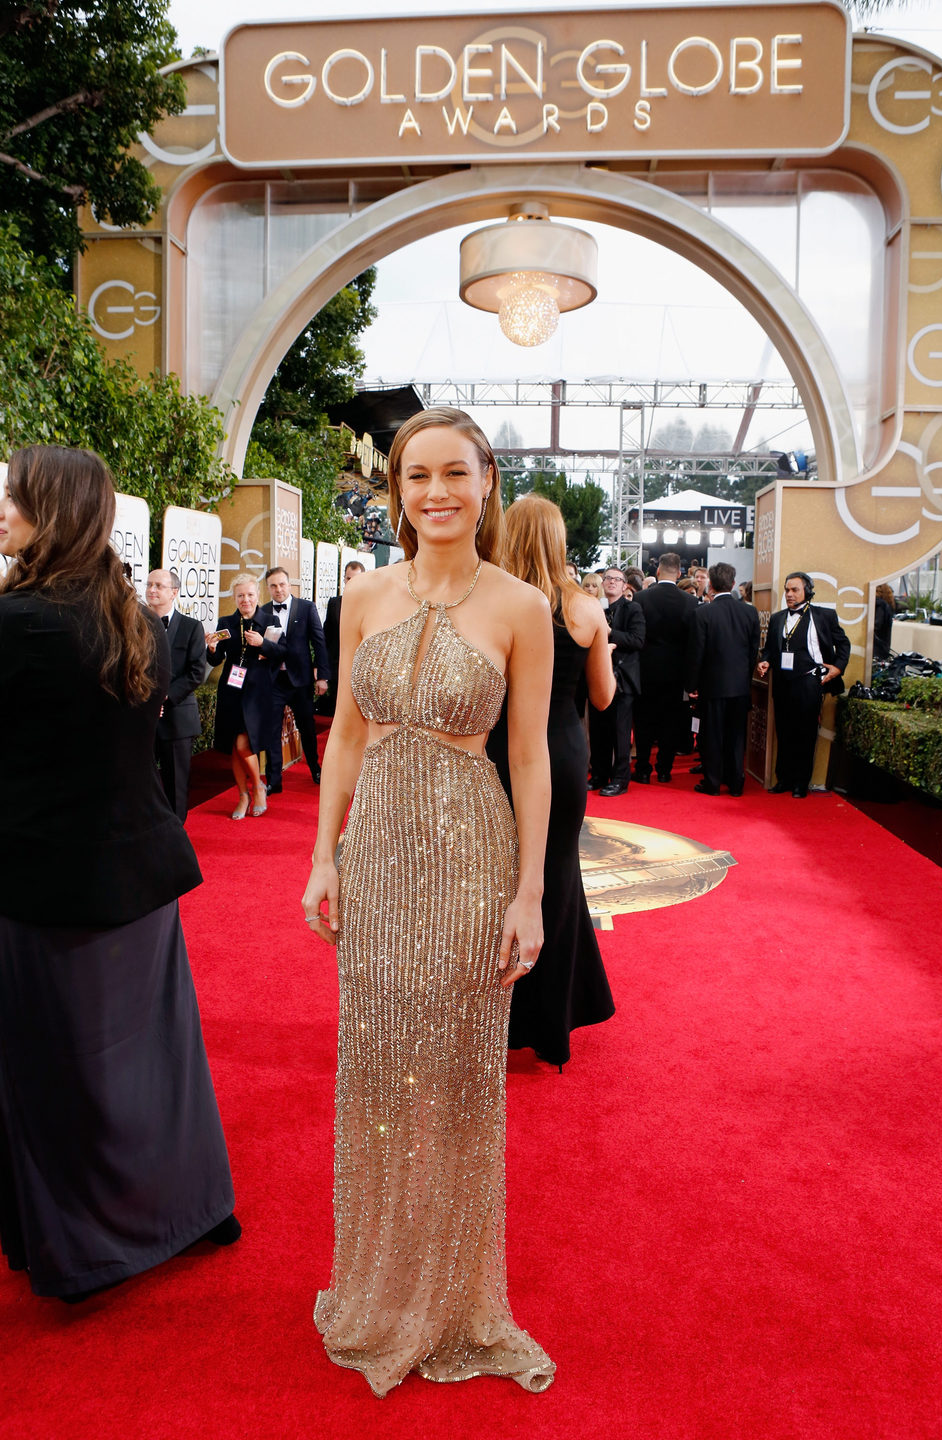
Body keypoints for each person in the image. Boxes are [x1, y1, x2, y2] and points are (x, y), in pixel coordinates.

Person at [301, 407, 556, 1397]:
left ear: (486, 482)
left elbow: (528, 758)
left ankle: (451, 1302)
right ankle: (376, 1285)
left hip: (469, 855)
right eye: (417, 477)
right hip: (380, 857)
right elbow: (345, 740)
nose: (437, 493)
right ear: (396, 490)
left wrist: (530, 891)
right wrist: (325, 855)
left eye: (456, 473)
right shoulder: (362, 596)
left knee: (452, 1077)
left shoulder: (519, 609)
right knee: (375, 1070)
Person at [0, 445, 238, 1303]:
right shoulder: (124, 610)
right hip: (136, 881)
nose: (1, 510)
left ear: (51, 512)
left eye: (14, 498)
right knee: (156, 1065)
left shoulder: (22, 620)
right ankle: (188, 1208)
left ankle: (91, 1249)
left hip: (47, 889)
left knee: (55, 1075)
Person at [487, 493, 616, 1069]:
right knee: (556, 881)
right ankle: (550, 1026)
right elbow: (604, 696)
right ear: (561, 540)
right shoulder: (586, 609)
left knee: (490, 880)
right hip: (561, 752)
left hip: (495, 750)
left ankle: (491, 1018)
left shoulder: (492, 601)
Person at [757, 571, 851, 797]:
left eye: (795, 590)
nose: (789, 594)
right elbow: (770, 648)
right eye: (787, 590)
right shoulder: (778, 618)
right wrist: (764, 661)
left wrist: (837, 668)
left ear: (807, 591)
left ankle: (801, 782)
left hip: (809, 681)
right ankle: (784, 779)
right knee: (784, 731)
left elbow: (843, 643)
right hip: (782, 682)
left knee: (805, 733)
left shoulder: (824, 616)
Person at [685, 562, 761, 796]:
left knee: (712, 736)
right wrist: (744, 679)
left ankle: (712, 783)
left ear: (711, 585)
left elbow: (696, 652)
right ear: (733, 583)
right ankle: (736, 784)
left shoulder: (703, 613)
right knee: (737, 737)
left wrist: (692, 685)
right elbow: (753, 651)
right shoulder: (749, 612)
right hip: (739, 687)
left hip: (713, 687)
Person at [207, 574, 274, 818]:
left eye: (250, 595)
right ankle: (242, 796)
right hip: (231, 689)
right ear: (234, 597)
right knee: (234, 746)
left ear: (257, 596)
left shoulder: (269, 620)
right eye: (240, 595)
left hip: (257, 692)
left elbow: (282, 652)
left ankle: (257, 787)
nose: (245, 600)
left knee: (243, 743)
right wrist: (212, 648)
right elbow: (216, 659)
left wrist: (263, 644)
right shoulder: (225, 623)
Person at [258, 566, 329, 794]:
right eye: (273, 586)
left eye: (281, 584)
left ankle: (315, 769)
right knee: (272, 730)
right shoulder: (264, 611)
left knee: (307, 728)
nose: (278, 590)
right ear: (267, 588)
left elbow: (319, 643)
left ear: (289, 585)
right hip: (274, 681)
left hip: (301, 681)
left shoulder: (306, 608)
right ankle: (274, 780)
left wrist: (323, 677)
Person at [146, 567, 206, 822]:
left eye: (158, 585)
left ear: (174, 592)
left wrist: (164, 698)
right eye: (149, 584)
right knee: (142, 783)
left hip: (176, 718)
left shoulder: (192, 627)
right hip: (142, 718)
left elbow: (196, 672)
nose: (151, 590)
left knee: (176, 785)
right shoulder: (134, 624)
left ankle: (175, 837)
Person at [634, 551, 698, 784]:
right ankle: (664, 769)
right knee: (671, 722)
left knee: (643, 722)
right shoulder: (691, 602)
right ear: (680, 572)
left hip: (646, 670)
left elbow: (638, 637)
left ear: (657, 571)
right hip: (676, 673)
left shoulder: (641, 598)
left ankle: (642, 769)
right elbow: (694, 643)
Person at [588, 566, 645, 796]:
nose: (611, 582)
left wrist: (610, 632)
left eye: (617, 579)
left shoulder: (633, 609)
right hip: (596, 675)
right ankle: (600, 774)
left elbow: (638, 640)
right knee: (599, 729)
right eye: (608, 578)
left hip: (622, 678)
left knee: (620, 732)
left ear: (625, 586)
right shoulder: (594, 608)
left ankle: (620, 779)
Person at [322, 558, 365, 711]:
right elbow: (326, 637)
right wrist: (322, 669)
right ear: (344, 579)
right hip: (337, 667)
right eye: (348, 578)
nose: (351, 582)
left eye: (356, 578)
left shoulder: (369, 604)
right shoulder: (334, 603)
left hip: (360, 668)